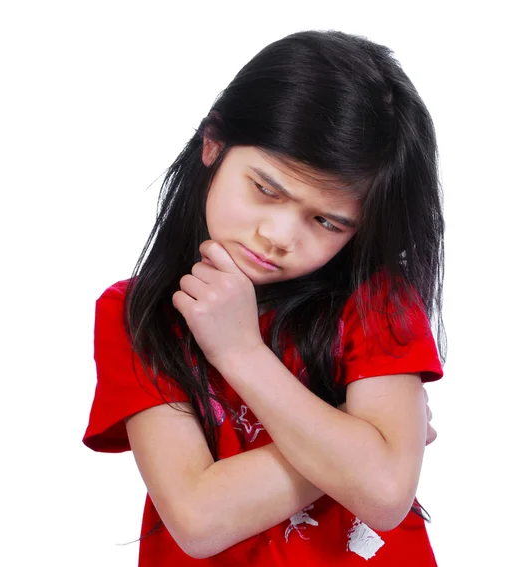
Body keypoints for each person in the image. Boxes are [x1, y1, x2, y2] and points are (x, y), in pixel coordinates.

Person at [83, 29, 446, 566]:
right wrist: (354, 442)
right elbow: (199, 519)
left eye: (326, 220)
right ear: (213, 143)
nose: (279, 235)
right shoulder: (139, 313)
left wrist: (241, 353)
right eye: (267, 189)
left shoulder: (376, 302)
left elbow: (387, 494)